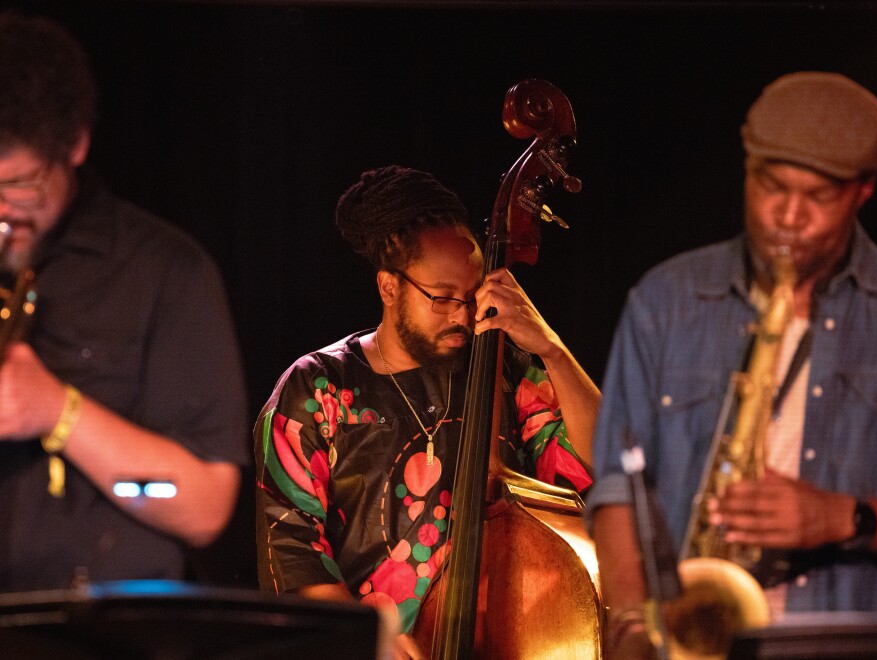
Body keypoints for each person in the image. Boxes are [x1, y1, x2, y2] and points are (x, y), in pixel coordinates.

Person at [587, 71, 877, 657]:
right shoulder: (664, 300)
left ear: (863, 190)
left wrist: (845, 518)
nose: (790, 217)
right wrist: (633, 632)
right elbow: (619, 490)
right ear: (746, 167)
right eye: (773, 187)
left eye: (817, 197)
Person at [255, 165, 599, 656]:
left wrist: (553, 350)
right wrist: (365, 636)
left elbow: (601, 464)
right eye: (442, 298)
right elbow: (290, 543)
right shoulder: (319, 387)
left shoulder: (506, 369)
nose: (463, 315)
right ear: (389, 287)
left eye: (473, 295)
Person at [0, 12, 249, 591]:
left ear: (77, 145)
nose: (2, 210)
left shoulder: (165, 272)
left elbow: (206, 505)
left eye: (20, 184)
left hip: (99, 637)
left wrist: (58, 413)